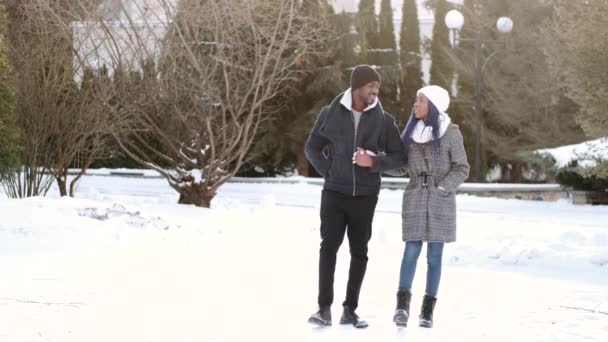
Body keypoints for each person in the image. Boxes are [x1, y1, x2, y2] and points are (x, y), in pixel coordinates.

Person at [305, 65, 405, 329]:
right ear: (357, 86)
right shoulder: (331, 113)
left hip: (365, 195)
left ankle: (350, 310)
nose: (375, 90)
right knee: (328, 248)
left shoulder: (384, 121)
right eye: (371, 85)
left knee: (359, 252)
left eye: (378, 86)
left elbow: (399, 159)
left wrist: (371, 162)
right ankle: (323, 308)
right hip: (334, 192)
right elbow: (312, 146)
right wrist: (329, 169)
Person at [392, 85, 470, 328]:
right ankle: (402, 308)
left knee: (435, 257)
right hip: (415, 197)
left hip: (440, 201)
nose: (415, 104)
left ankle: (427, 311)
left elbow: (462, 167)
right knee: (411, 252)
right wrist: (376, 161)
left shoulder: (451, 133)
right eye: (416, 99)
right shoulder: (410, 133)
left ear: (433, 105)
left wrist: (443, 187)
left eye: (421, 100)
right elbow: (399, 166)